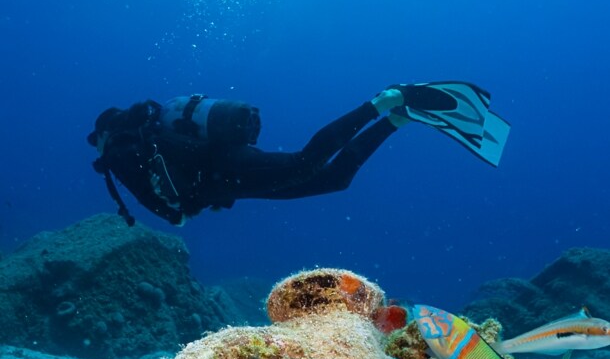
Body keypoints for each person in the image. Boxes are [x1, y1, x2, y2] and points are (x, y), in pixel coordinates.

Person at [87, 82, 510, 227]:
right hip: (220, 176)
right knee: (332, 179)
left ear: (104, 132)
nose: (97, 148)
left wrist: (179, 212)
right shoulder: (140, 137)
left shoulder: (119, 151)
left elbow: (164, 207)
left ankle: (383, 101)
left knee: (304, 163)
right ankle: (397, 119)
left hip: (219, 171)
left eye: (96, 140)